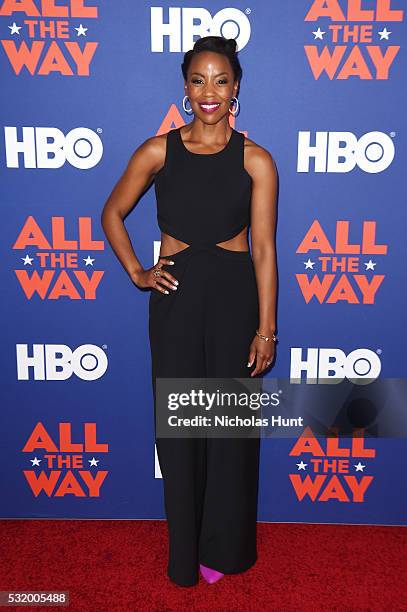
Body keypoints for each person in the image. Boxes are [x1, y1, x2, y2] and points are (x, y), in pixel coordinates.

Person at [101, 35, 278, 587]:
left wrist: (266, 330)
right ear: (185, 87)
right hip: (174, 299)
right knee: (180, 428)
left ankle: (224, 551)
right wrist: (137, 272)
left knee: (227, 426)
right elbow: (113, 212)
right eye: (199, 80)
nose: (209, 91)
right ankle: (184, 554)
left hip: (233, 297)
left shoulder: (256, 160)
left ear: (236, 89)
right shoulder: (158, 150)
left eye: (220, 81)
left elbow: (265, 250)